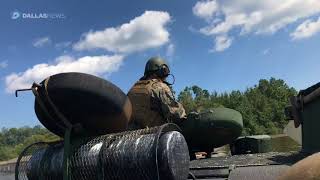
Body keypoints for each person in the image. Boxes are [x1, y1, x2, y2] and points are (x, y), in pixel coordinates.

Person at [127, 57, 187, 129]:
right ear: (162, 71)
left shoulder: (132, 89)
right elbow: (177, 115)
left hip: (131, 137)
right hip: (154, 136)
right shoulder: (160, 87)